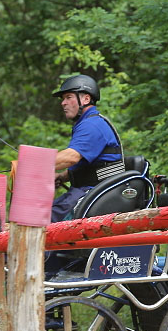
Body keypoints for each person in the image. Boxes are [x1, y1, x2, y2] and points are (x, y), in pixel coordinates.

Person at [50, 74, 125, 222]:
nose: (63, 103)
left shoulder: (92, 125)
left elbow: (71, 157)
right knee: (46, 213)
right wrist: (63, 177)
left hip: (95, 193)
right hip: (88, 190)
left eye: (69, 97)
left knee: (43, 219)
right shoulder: (87, 123)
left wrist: (30, 164)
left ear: (86, 99)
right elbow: (89, 165)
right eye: (63, 99)